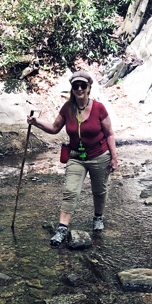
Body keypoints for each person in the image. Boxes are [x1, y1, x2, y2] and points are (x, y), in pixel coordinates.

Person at [27, 70, 118, 247]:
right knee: (70, 191)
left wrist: (114, 157)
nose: (79, 89)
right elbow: (54, 128)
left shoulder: (99, 108)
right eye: (75, 86)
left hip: (99, 155)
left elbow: (110, 134)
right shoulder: (67, 108)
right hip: (76, 157)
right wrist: (36, 122)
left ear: (89, 87)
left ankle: (98, 217)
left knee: (99, 191)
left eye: (83, 85)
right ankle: (62, 229)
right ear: (72, 88)